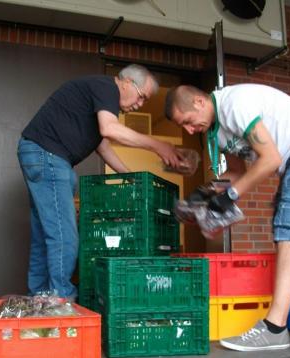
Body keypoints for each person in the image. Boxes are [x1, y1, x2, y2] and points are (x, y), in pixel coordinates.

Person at [165, 83, 290, 351]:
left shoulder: (235, 105)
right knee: (286, 230)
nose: (188, 130)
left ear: (199, 102)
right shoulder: (216, 132)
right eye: (183, 127)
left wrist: (229, 197)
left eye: (188, 122)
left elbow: (269, 159)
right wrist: (201, 196)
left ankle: (275, 328)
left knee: (288, 230)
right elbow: (237, 173)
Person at [18, 64, 182, 299]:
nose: (140, 104)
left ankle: (41, 298)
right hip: (48, 156)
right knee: (64, 234)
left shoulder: (97, 97)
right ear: (126, 82)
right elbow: (110, 130)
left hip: (42, 155)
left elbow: (103, 147)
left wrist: (130, 177)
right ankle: (60, 300)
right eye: (142, 96)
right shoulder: (107, 88)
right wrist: (156, 144)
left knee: (45, 233)